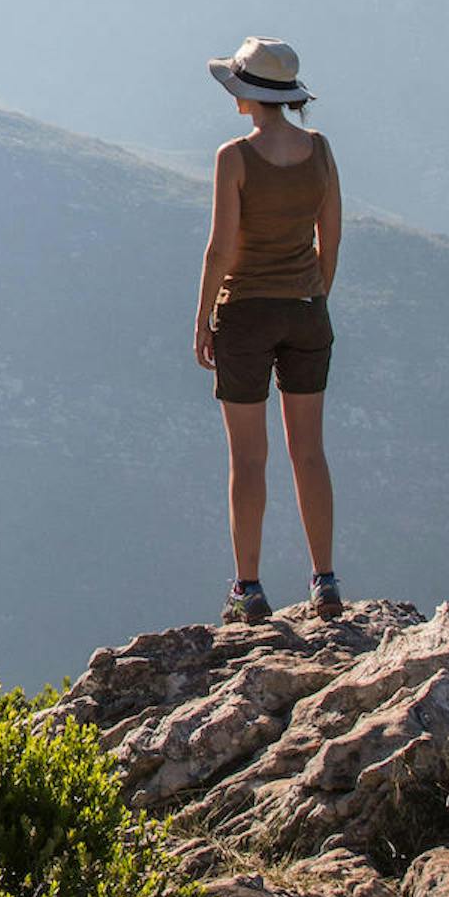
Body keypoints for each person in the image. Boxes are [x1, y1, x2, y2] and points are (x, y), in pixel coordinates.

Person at [193, 36, 344, 623]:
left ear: (245, 95)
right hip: (306, 309)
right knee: (309, 450)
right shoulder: (321, 152)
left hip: (246, 315)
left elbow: (219, 251)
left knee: (248, 458)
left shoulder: (234, 158)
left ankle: (249, 590)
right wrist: (314, 293)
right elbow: (329, 240)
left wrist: (203, 318)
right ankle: (325, 580)